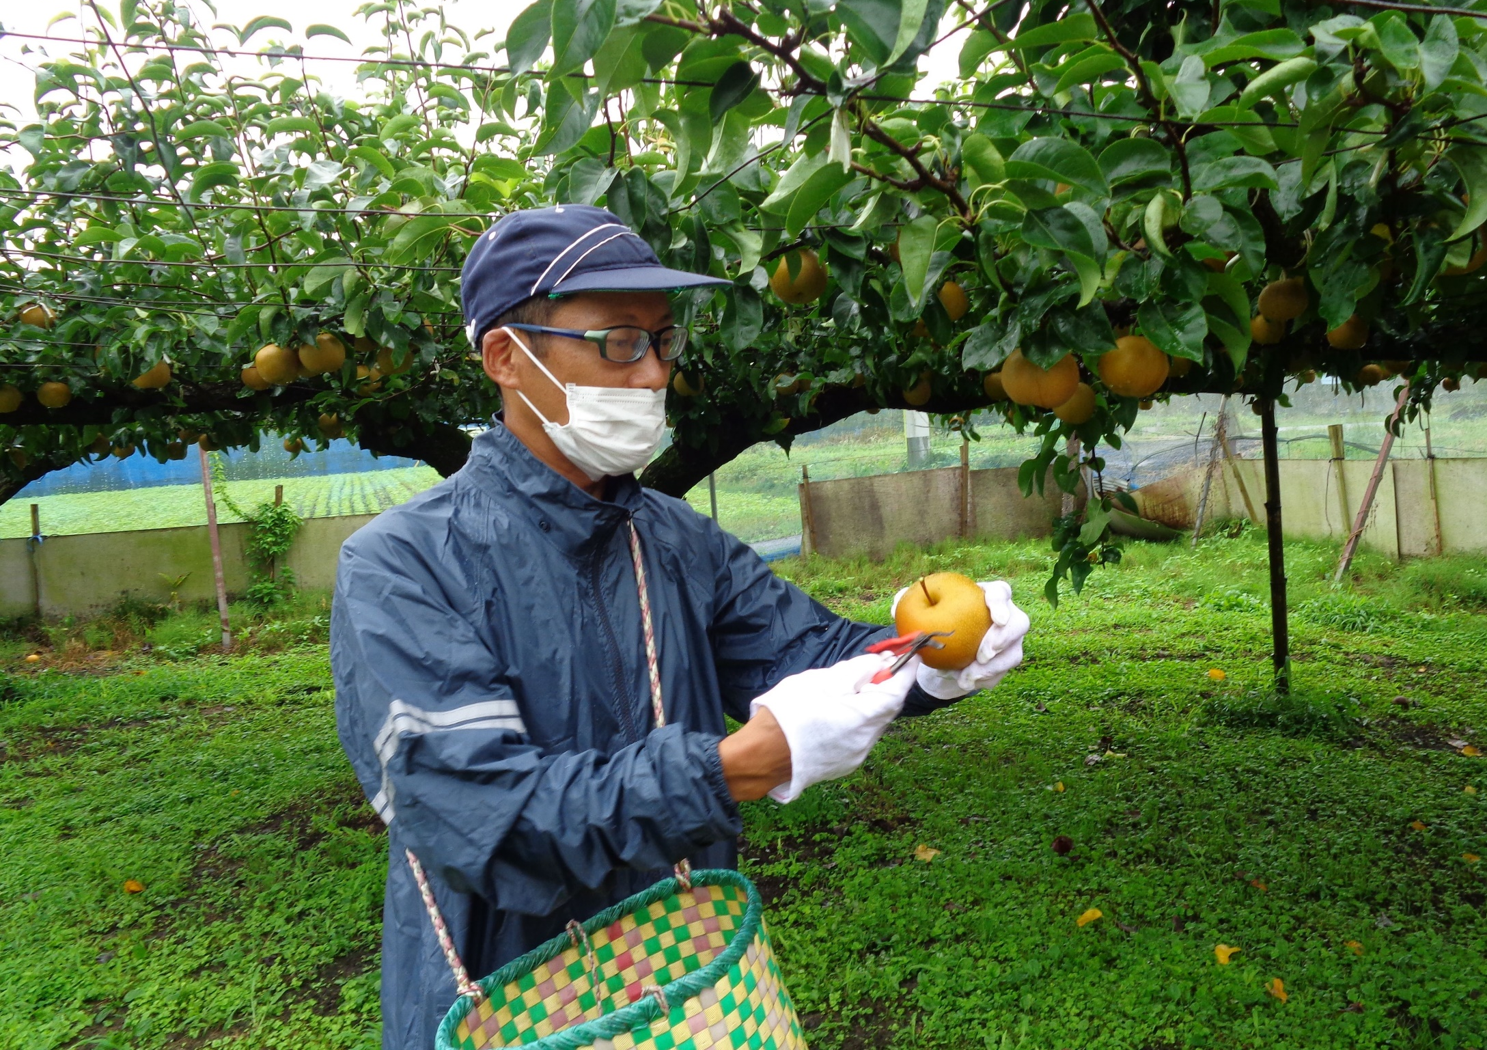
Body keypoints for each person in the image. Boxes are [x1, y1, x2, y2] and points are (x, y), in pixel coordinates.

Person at [331, 205, 1033, 1048]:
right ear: (507, 357)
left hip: (685, 990)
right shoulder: (404, 565)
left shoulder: (670, 537)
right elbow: (489, 820)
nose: (653, 372)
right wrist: (732, 768)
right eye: (618, 342)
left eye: (662, 342)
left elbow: (805, 652)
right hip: (504, 994)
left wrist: (927, 658)